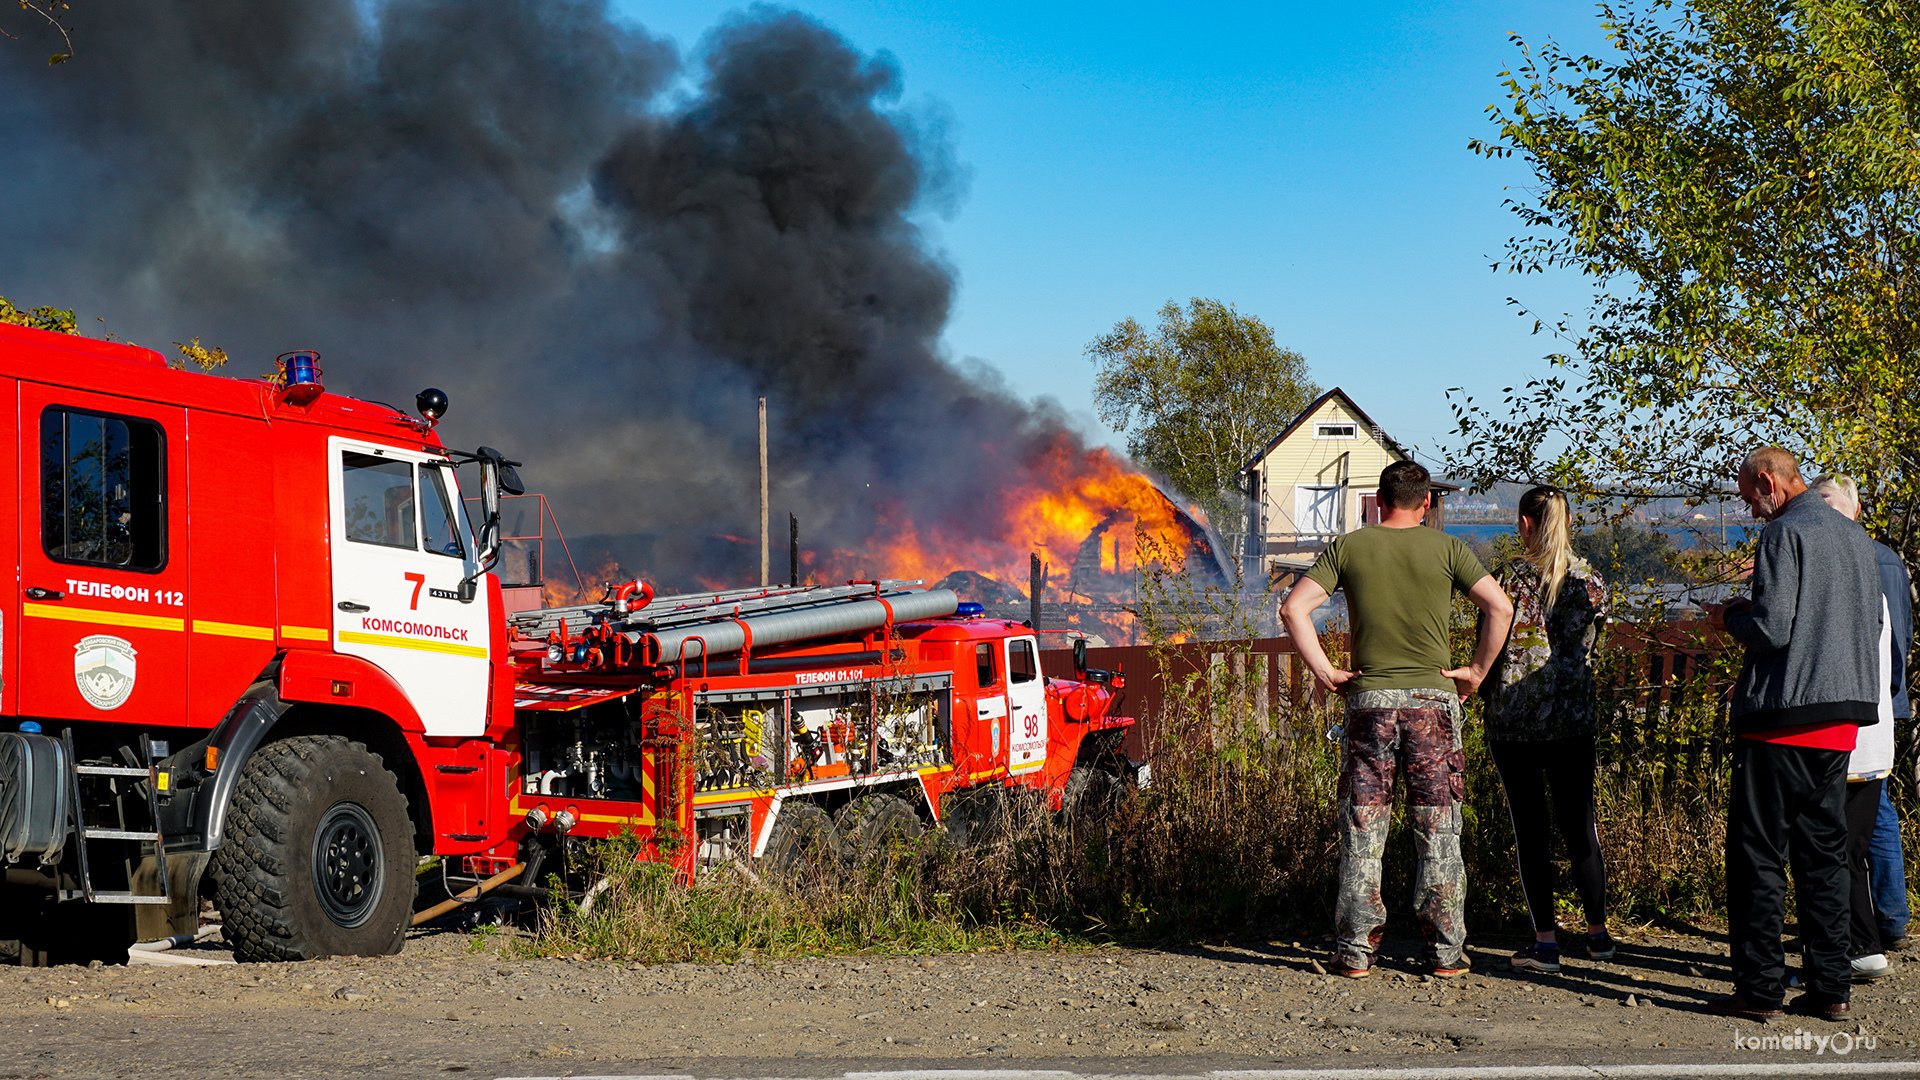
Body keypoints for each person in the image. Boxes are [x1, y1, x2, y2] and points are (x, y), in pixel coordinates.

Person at [1281, 459, 1514, 979]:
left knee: (1364, 826)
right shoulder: (1449, 549)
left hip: (1369, 703)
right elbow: (1499, 608)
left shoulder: (1351, 547)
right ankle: (1446, 953)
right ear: (1427, 501)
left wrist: (1324, 671)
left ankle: (1355, 951)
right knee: (1438, 827)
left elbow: (1294, 609)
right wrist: (1475, 672)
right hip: (1433, 705)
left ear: (1378, 501)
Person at [1704, 448, 1883, 1023]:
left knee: (1757, 858)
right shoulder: (1856, 537)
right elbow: (1869, 624)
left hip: (1782, 721)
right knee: (1824, 859)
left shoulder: (1785, 532)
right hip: (1840, 721)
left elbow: (1772, 628)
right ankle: (1830, 987)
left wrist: (1730, 614)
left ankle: (1759, 991)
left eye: (1745, 494)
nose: (1747, 507)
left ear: (1768, 482)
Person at [1480, 486, 1612, 974]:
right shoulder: (1591, 580)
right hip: (1573, 721)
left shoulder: (1507, 579)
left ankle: (1546, 943)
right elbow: (1593, 647)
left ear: (1526, 524)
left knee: (1530, 831)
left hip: (1514, 722)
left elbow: (1489, 644)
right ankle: (1598, 936)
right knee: (1581, 827)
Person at [1812, 473, 1911, 980]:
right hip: (1876, 711)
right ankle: (1882, 922)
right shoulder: (1884, 560)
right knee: (1867, 826)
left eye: (1824, 505)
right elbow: (1896, 646)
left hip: (1848, 717)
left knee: (1838, 838)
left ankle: (1862, 934)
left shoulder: (1845, 563)